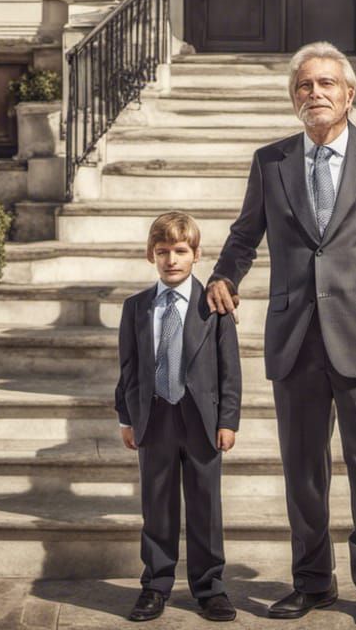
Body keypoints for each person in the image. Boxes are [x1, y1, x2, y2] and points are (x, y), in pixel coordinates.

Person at [207, 42, 356, 624]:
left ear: (349, 94)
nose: (315, 94)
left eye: (326, 84)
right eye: (305, 86)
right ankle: (313, 583)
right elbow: (244, 235)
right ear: (293, 98)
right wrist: (223, 276)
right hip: (295, 336)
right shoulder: (271, 162)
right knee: (303, 472)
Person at [116, 211, 242, 622]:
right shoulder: (136, 307)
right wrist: (125, 417)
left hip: (202, 419)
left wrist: (229, 420)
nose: (172, 259)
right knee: (158, 505)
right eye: (164, 251)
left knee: (206, 505)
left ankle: (210, 588)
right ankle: (155, 584)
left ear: (197, 255)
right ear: (151, 255)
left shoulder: (214, 306)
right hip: (154, 417)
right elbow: (129, 367)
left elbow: (230, 369)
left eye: (181, 251)